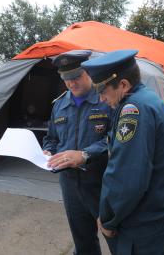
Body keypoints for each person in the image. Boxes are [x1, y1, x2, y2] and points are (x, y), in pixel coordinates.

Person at [82, 49, 164, 255]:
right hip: (160, 220)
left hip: (145, 231)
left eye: (102, 91)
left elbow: (127, 175)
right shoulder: (147, 99)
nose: (101, 98)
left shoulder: (133, 110)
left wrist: (109, 219)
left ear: (123, 85)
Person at [43, 50, 115, 255]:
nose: (72, 83)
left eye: (76, 77)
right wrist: (48, 151)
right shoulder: (59, 105)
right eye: (67, 79)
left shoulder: (106, 99)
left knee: (115, 235)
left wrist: (84, 154)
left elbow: (116, 139)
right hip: (69, 184)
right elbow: (52, 138)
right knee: (82, 238)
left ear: (89, 73)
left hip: (101, 181)